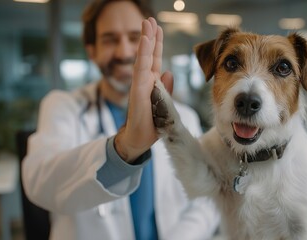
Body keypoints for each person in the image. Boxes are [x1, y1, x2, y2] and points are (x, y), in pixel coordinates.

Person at [21, 0, 220, 239]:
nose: (124, 52)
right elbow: (40, 185)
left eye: (136, 37)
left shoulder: (184, 116)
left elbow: (206, 199)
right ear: (91, 50)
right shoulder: (63, 107)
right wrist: (125, 148)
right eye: (110, 39)